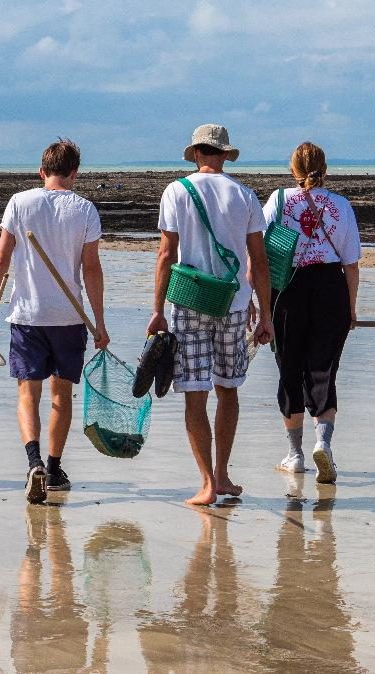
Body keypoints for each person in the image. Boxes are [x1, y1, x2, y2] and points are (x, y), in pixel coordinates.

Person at [146, 124, 273, 506]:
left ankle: (205, 484)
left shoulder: (176, 191)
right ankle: (222, 476)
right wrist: (265, 313)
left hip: (188, 303)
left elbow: (166, 255)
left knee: (195, 394)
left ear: (197, 153)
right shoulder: (245, 195)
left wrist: (157, 311)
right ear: (223, 155)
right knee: (228, 388)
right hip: (233, 305)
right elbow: (260, 262)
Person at [0, 138, 108, 504]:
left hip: (27, 316)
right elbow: (91, 269)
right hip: (69, 318)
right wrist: (99, 323)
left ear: (42, 171)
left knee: (28, 393)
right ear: (74, 173)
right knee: (61, 396)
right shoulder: (84, 209)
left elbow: (0, 259)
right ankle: (53, 468)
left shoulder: (20, 202)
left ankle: (34, 461)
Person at [262, 142, 360, 483]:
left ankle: (296, 454)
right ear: (325, 169)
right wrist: (351, 307)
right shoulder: (342, 206)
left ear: (293, 171)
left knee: (289, 369)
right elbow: (352, 264)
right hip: (331, 288)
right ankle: (324, 444)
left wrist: (258, 305)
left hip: (287, 289)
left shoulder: (277, 200)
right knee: (323, 370)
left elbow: (260, 256)